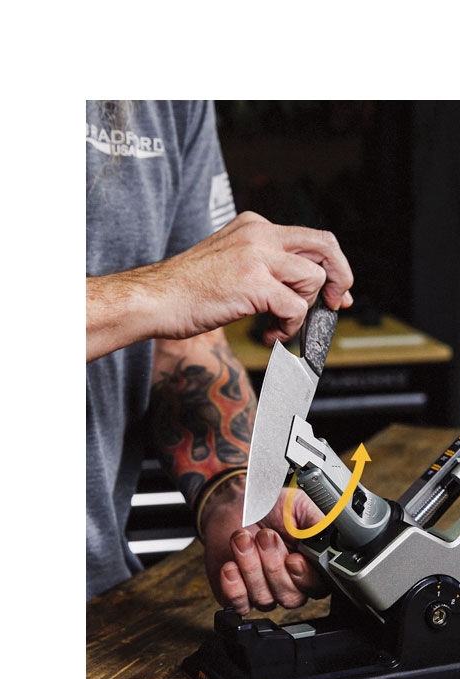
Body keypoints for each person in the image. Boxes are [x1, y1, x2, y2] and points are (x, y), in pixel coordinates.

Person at [86, 100, 347, 613]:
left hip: (100, 605)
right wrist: (167, 287)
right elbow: (171, 299)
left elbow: (180, 339)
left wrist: (233, 492)